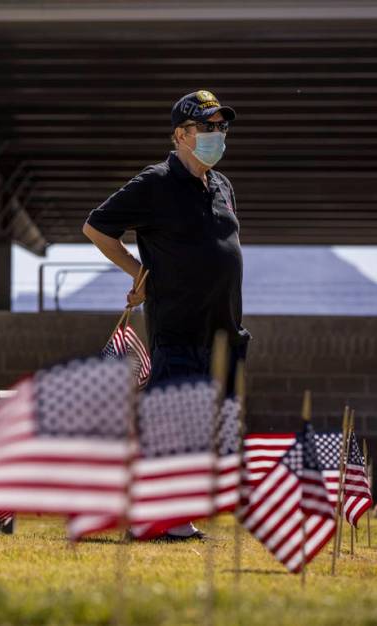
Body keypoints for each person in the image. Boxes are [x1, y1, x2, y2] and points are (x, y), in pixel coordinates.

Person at [83, 90, 249, 540]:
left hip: (225, 330)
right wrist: (139, 272)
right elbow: (97, 227)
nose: (218, 135)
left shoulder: (222, 186)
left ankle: (176, 513)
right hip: (178, 328)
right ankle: (156, 516)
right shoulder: (154, 183)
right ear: (181, 135)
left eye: (222, 128)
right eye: (208, 128)